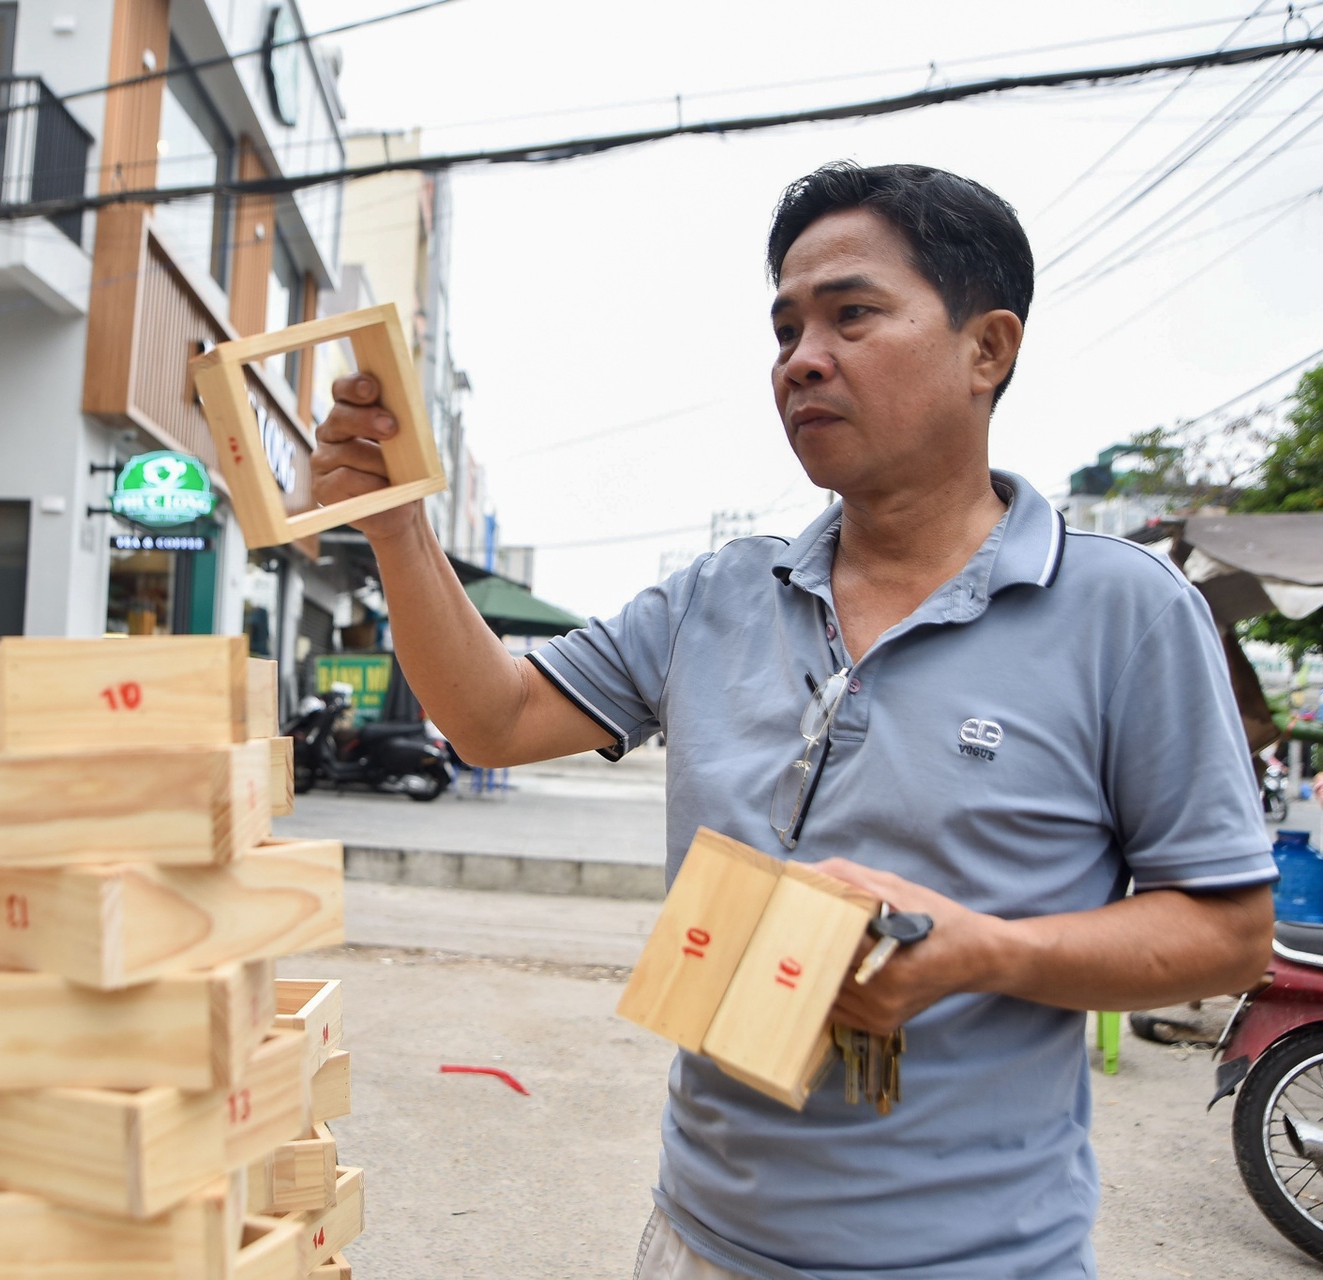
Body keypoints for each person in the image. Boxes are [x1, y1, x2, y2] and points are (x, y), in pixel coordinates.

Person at [310, 161, 1275, 1279]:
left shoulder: (1123, 610)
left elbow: (1227, 930)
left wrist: (983, 952)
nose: (801, 357)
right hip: (696, 1242)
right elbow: (494, 718)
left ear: (988, 348)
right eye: (785, 327)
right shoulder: (716, 595)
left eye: (852, 314)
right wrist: (397, 531)